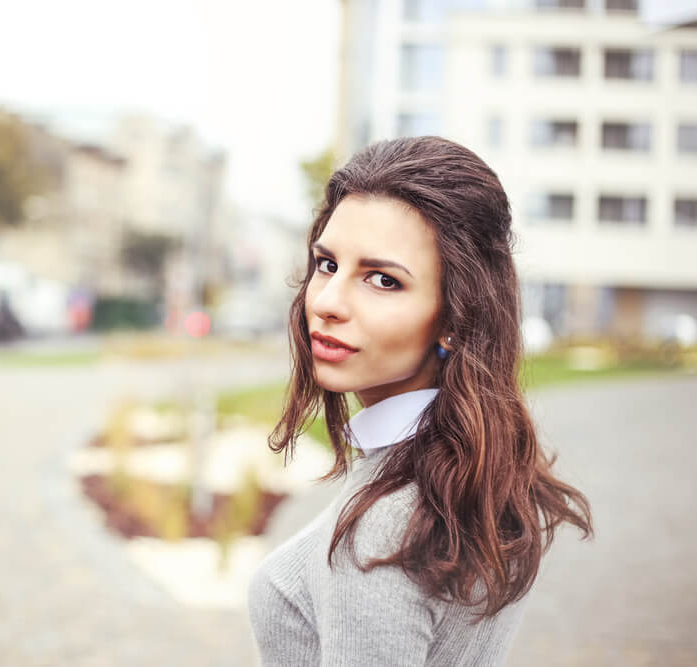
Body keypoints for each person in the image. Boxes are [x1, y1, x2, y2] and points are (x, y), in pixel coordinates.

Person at [247, 136, 593, 666]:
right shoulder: (466, 472)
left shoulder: (387, 531)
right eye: (327, 264)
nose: (329, 302)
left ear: (457, 318)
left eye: (383, 280)